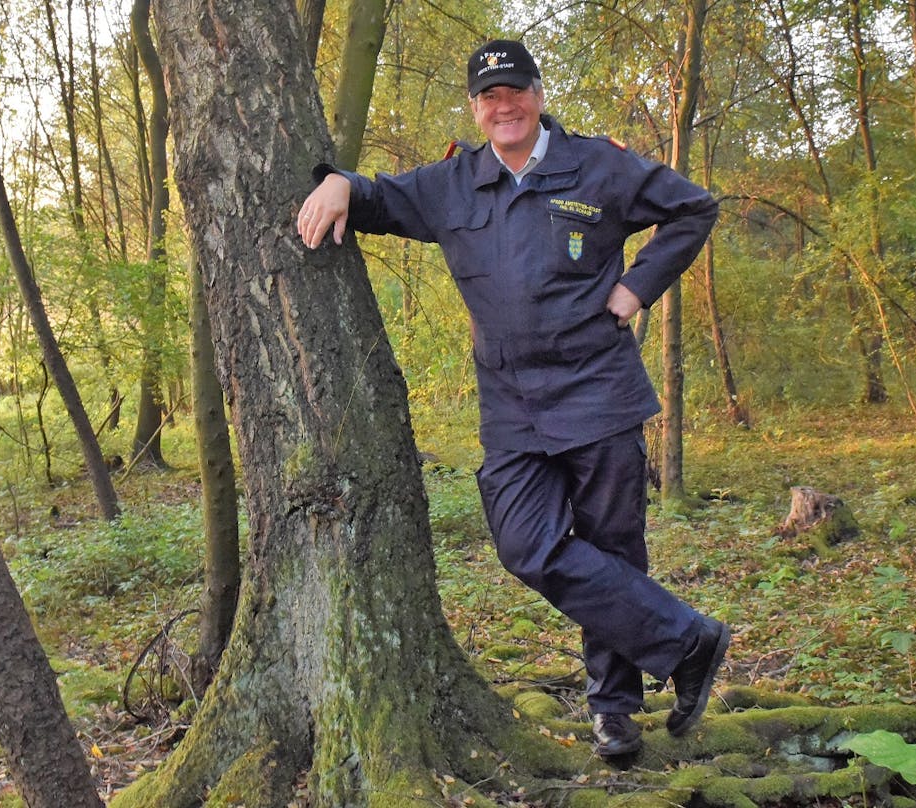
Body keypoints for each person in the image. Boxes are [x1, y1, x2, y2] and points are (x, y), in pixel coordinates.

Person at [296, 38, 727, 759]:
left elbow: (693, 209)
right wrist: (338, 182)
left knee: (612, 552)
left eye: (516, 91)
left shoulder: (600, 165)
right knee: (528, 546)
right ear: (474, 106)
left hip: (599, 393)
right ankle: (689, 641)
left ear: (538, 94)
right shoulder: (452, 183)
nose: (504, 107)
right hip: (513, 407)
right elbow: (379, 197)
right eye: (489, 97)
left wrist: (635, 287)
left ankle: (615, 714)